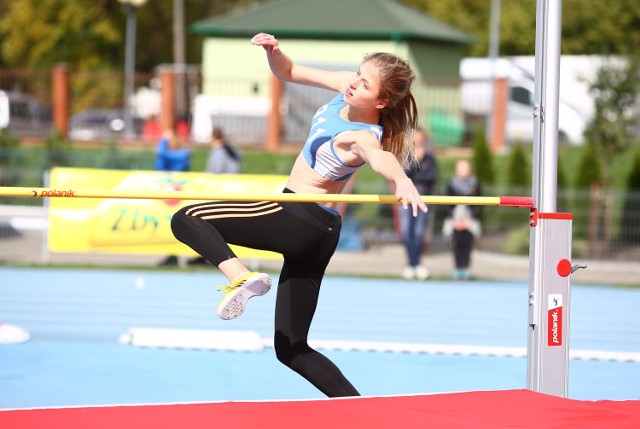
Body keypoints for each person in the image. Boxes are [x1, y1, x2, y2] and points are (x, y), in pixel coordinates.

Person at [170, 32, 427, 398]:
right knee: (291, 347)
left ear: (382, 100)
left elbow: (378, 156)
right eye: (357, 73)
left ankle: (240, 275)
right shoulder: (346, 89)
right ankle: (361, 411)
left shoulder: (362, 135)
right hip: (321, 232)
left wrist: (401, 178)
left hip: (296, 215)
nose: (354, 82)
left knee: (186, 217)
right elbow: (288, 71)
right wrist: (275, 52)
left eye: (364, 83)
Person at [187, 127, 243, 266]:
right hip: (229, 192)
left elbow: (216, 170)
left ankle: (210, 256)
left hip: (219, 191)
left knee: (209, 225)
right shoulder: (231, 151)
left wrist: (202, 177)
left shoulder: (219, 152)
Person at [398, 127, 438, 280]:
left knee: (419, 233)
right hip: (406, 199)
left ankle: (417, 263)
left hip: (423, 199)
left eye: (420, 136)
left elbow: (431, 177)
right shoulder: (406, 156)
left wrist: (421, 160)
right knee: (406, 232)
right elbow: (404, 175)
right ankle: (412, 263)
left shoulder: (430, 158)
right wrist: (415, 161)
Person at [155, 130, 191, 266]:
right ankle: (171, 254)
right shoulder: (174, 155)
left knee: (176, 224)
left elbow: (161, 153)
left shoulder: (182, 154)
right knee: (167, 225)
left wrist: (164, 139)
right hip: (168, 194)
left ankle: (174, 254)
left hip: (177, 194)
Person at [442, 159, 481, 281]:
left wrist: (469, 221)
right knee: (456, 244)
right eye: (461, 170)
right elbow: (446, 205)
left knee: (468, 244)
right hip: (454, 220)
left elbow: (479, 204)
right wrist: (456, 221)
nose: (463, 173)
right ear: (456, 171)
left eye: (466, 170)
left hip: (469, 220)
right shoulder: (451, 184)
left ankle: (466, 269)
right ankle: (458, 268)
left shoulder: (475, 184)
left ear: (470, 171)